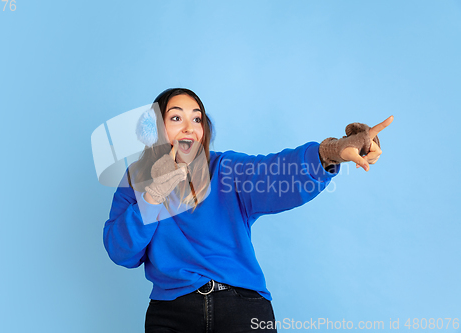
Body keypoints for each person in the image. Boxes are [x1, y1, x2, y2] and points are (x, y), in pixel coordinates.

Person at [103, 88, 393, 332]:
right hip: (170, 315)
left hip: (240, 308)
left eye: (197, 118)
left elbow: (276, 173)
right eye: (176, 117)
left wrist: (332, 151)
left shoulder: (225, 169)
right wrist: (152, 197)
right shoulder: (137, 178)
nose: (189, 127)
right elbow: (121, 251)